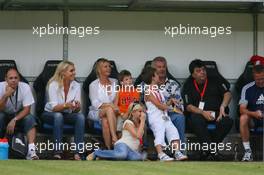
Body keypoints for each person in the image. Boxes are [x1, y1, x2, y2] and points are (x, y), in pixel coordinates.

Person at [182, 59, 233, 160]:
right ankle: (213, 151)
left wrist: (223, 106)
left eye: (203, 70)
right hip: (199, 114)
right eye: (198, 71)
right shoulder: (188, 84)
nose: (202, 72)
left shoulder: (215, 79)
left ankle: (206, 152)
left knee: (228, 121)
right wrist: (202, 112)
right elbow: (188, 106)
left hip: (217, 113)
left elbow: (228, 94)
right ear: (193, 75)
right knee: (195, 119)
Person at [42, 61, 85, 160]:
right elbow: (54, 107)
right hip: (50, 114)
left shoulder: (76, 85)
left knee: (80, 117)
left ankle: (78, 152)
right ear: (63, 73)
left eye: (74, 70)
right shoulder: (53, 85)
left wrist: (77, 107)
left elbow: (77, 110)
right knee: (58, 116)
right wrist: (67, 105)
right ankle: (57, 152)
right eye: (71, 71)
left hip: (66, 114)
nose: (74, 73)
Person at [142, 66, 187, 161]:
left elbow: (163, 104)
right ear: (152, 77)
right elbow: (159, 105)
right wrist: (174, 109)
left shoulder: (158, 89)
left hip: (164, 116)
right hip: (155, 118)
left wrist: (170, 101)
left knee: (173, 131)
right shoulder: (148, 91)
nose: (159, 76)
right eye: (157, 74)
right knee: (160, 134)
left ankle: (177, 152)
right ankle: (160, 154)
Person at [0, 68, 38, 160]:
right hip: (4, 114)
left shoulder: (25, 87)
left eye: (16, 78)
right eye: (11, 78)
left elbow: (27, 109)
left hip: (19, 116)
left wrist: (14, 119)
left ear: (19, 79)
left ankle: (31, 151)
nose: (13, 80)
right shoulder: (0, 87)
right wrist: (6, 95)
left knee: (30, 118)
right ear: (6, 79)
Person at [151, 56, 186, 150]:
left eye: (164, 67)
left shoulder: (173, 84)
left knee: (179, 118)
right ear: (153, 69)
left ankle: (180, 152)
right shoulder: (145, 84)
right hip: (152, 115)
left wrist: (176, 108)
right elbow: (140, 103)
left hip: (170, 114)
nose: (162, 69)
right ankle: (161, 152)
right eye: (159, 67)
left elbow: (179, 106)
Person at [88, 58, 119, 149]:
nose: (108, 68)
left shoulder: (115, 82)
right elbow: (95, 103)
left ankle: (109, 149)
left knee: (105, 122)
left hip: (112, 111)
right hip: (97, 111)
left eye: (109, 66)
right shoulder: (93, 85)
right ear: (99, 70)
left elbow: (117, 98)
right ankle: (114, 137)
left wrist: (114, 107)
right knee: (109, 109)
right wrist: (111, 105)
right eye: (105, 67)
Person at [239, 64, 264, 161]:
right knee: (243, 118)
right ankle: (248, 152)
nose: (261, 81)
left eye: (263, 78)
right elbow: (242, 109)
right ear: (254, 77)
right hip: (254, 119)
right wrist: (254, 113)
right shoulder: (247, 88)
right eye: (258, 79)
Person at [114, 70, 140, 136]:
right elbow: (115, 106)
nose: (130, 81)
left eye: (130, 78)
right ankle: (120, 140)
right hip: (122, 114)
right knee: (119, 126)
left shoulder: (136, 91)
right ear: (121, 82)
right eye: (126, 79)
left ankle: (141, 143)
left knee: (139, 124)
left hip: (133, 113)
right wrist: (121, 113)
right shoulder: (119, 92)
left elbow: (137, 105)